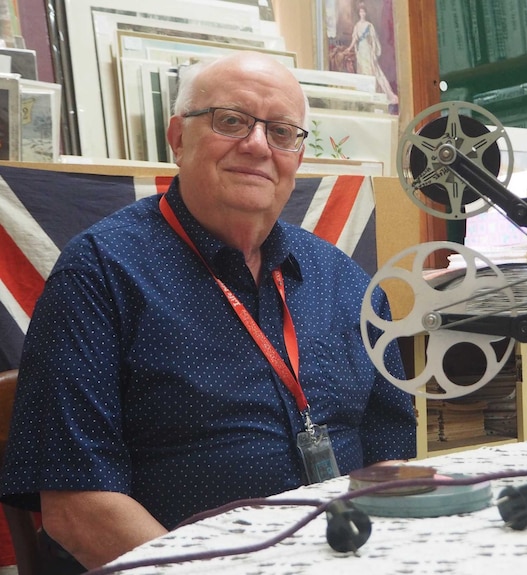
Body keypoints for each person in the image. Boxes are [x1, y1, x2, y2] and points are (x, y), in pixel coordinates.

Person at [0, 51, 416, 571]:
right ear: (177, 137)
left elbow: (390, 457)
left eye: (283, 131)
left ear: (298, 154)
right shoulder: (99, 275)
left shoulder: (346, 282)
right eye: (232, 121)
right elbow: (77, 511)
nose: (259, 145)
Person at [346, 2, 398, 105]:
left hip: (368, 50)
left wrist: (373, 52)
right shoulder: (357, 26)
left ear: (365, 13)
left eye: (364, 12)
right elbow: (355, 39)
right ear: (359, 13)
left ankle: (375, 93)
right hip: (361, 51)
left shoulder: (369, 26)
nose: (362, 14)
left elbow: (373, 40)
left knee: (371, 70)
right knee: (362, 70)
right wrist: (349, 49)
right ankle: (365, 94)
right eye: (361, 12)